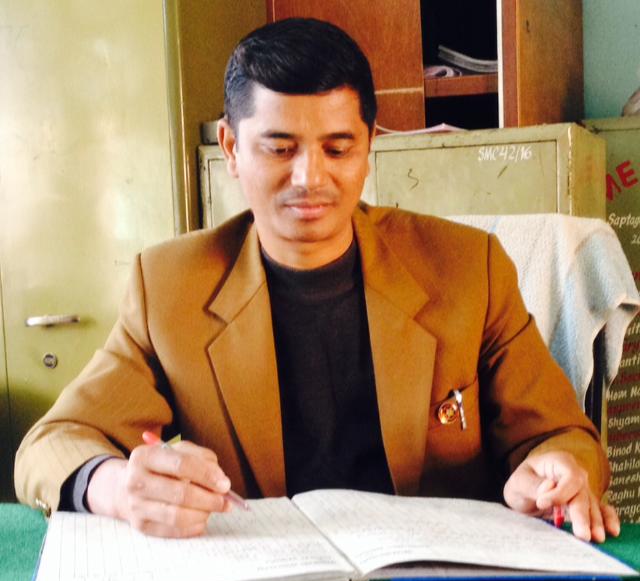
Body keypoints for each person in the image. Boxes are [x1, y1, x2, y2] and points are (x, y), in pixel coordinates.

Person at [15, 18, 619, 542]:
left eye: (337, 148)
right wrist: (115, 487)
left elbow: (563, 434)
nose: (309, 178)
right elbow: (52, 443)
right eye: (280, 149)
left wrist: (557, 468)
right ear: (231, 147)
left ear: (369, 145)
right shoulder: (172, 286)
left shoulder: (466, 267)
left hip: (438, 579)